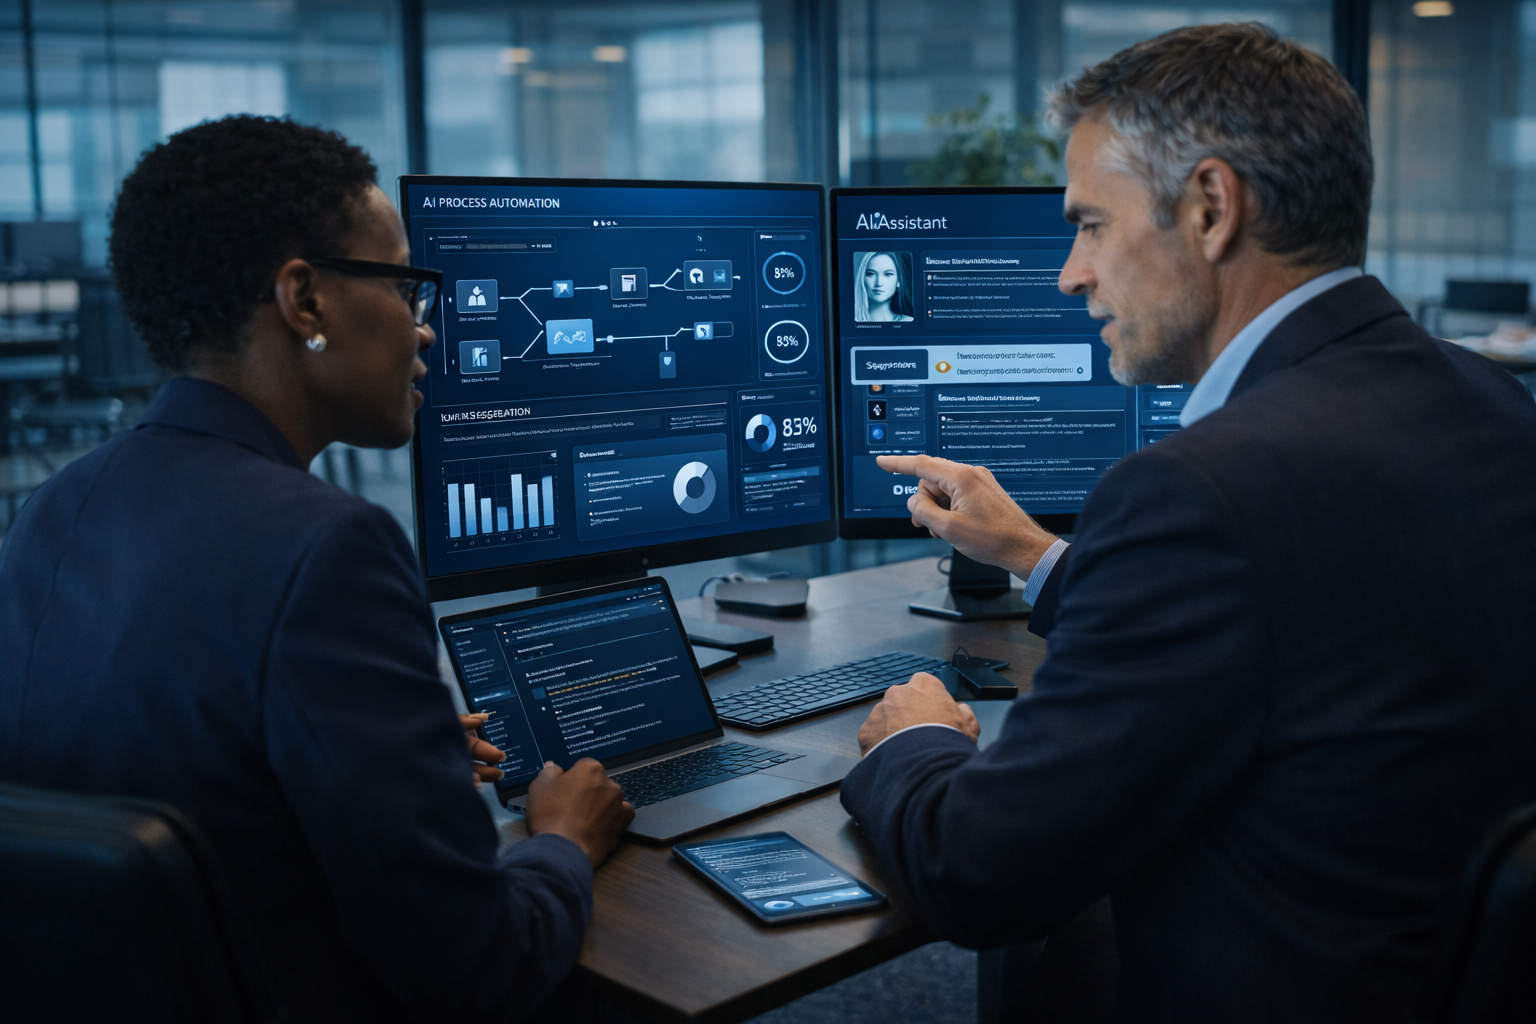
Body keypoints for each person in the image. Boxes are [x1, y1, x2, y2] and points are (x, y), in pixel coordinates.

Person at [842, 23, 1536, 1023]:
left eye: (1090, 223)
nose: (1070, 274)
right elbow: (1312, 619)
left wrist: (909, 744)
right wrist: (1042, 557)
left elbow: (980, 870)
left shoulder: (1201, 490)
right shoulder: (1490, 402)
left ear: (1211, 207)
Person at [0, 117, 633, 1022]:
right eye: (408, 285)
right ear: (305, 301)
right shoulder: (329, 548)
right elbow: (480, 965)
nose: (422, 332)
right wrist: (565, 840)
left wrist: (388, 754)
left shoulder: (53, 510)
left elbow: (158, 769)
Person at [854, 250, 914, 321]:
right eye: (871, 274)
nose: (879, 283)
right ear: (862, 279)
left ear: (899, 282)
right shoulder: (849, 321)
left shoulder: (909, 321)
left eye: (888, 274)